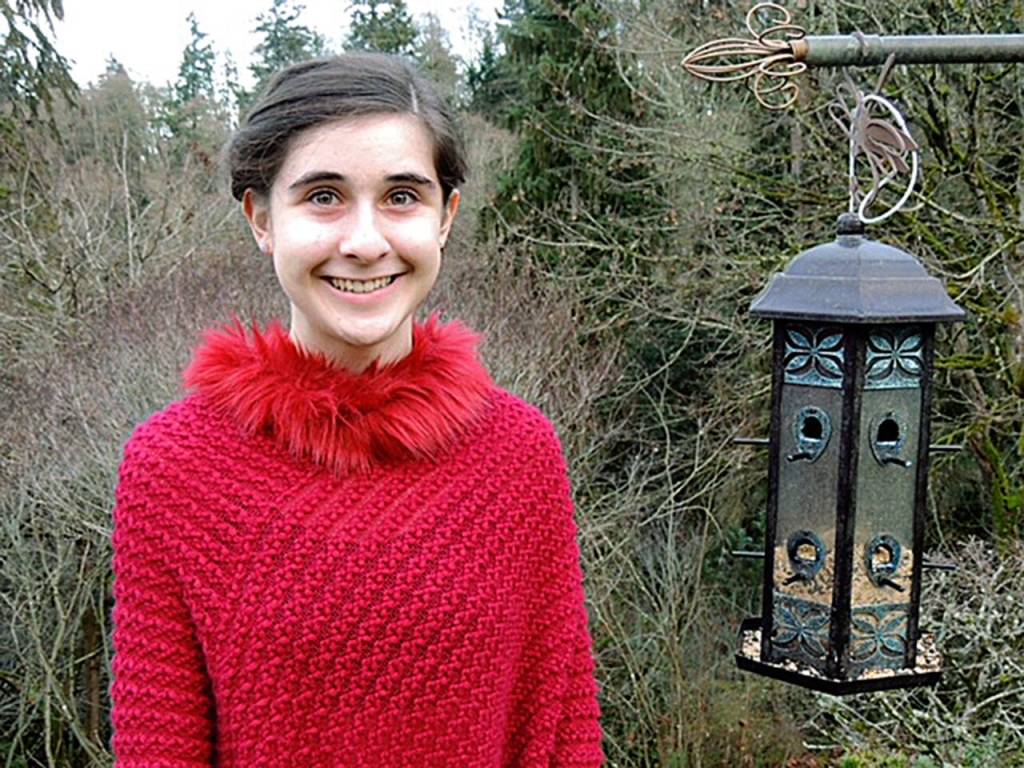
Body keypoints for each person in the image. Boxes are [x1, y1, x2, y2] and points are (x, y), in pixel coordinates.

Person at [110, 53, 605, 766]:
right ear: (260, 218)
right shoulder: (175, 467)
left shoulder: (518, 455)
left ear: (445, 217)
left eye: (403, 196)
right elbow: (159, 749)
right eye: (323, 196)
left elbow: (562, 736)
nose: (366, 242)